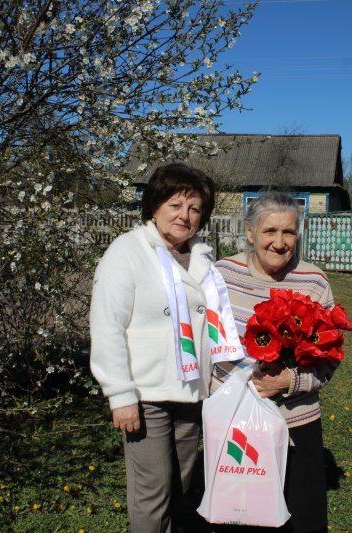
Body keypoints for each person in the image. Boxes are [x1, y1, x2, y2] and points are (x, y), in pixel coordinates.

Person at [90, 162, 241, 533]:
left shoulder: (202, 254)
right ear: (154, 207)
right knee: (153, 491)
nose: (185, 216)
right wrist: (120, 394)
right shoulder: (127, 252)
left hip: (192, 393)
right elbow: (107, 326)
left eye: (194, 209)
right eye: (175, 205)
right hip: (146, 392)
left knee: (181, 486)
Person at [212, 192, 337, 533]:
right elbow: (207, 344)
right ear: (250, 232)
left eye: (289, 232)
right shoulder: (223, 275)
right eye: (270, 231)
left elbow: (330, 359)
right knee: (239, 517)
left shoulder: (314, 282)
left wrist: (289, 382)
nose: (280, 243)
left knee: (303, 519)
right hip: (238, 424)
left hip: (296, 421)